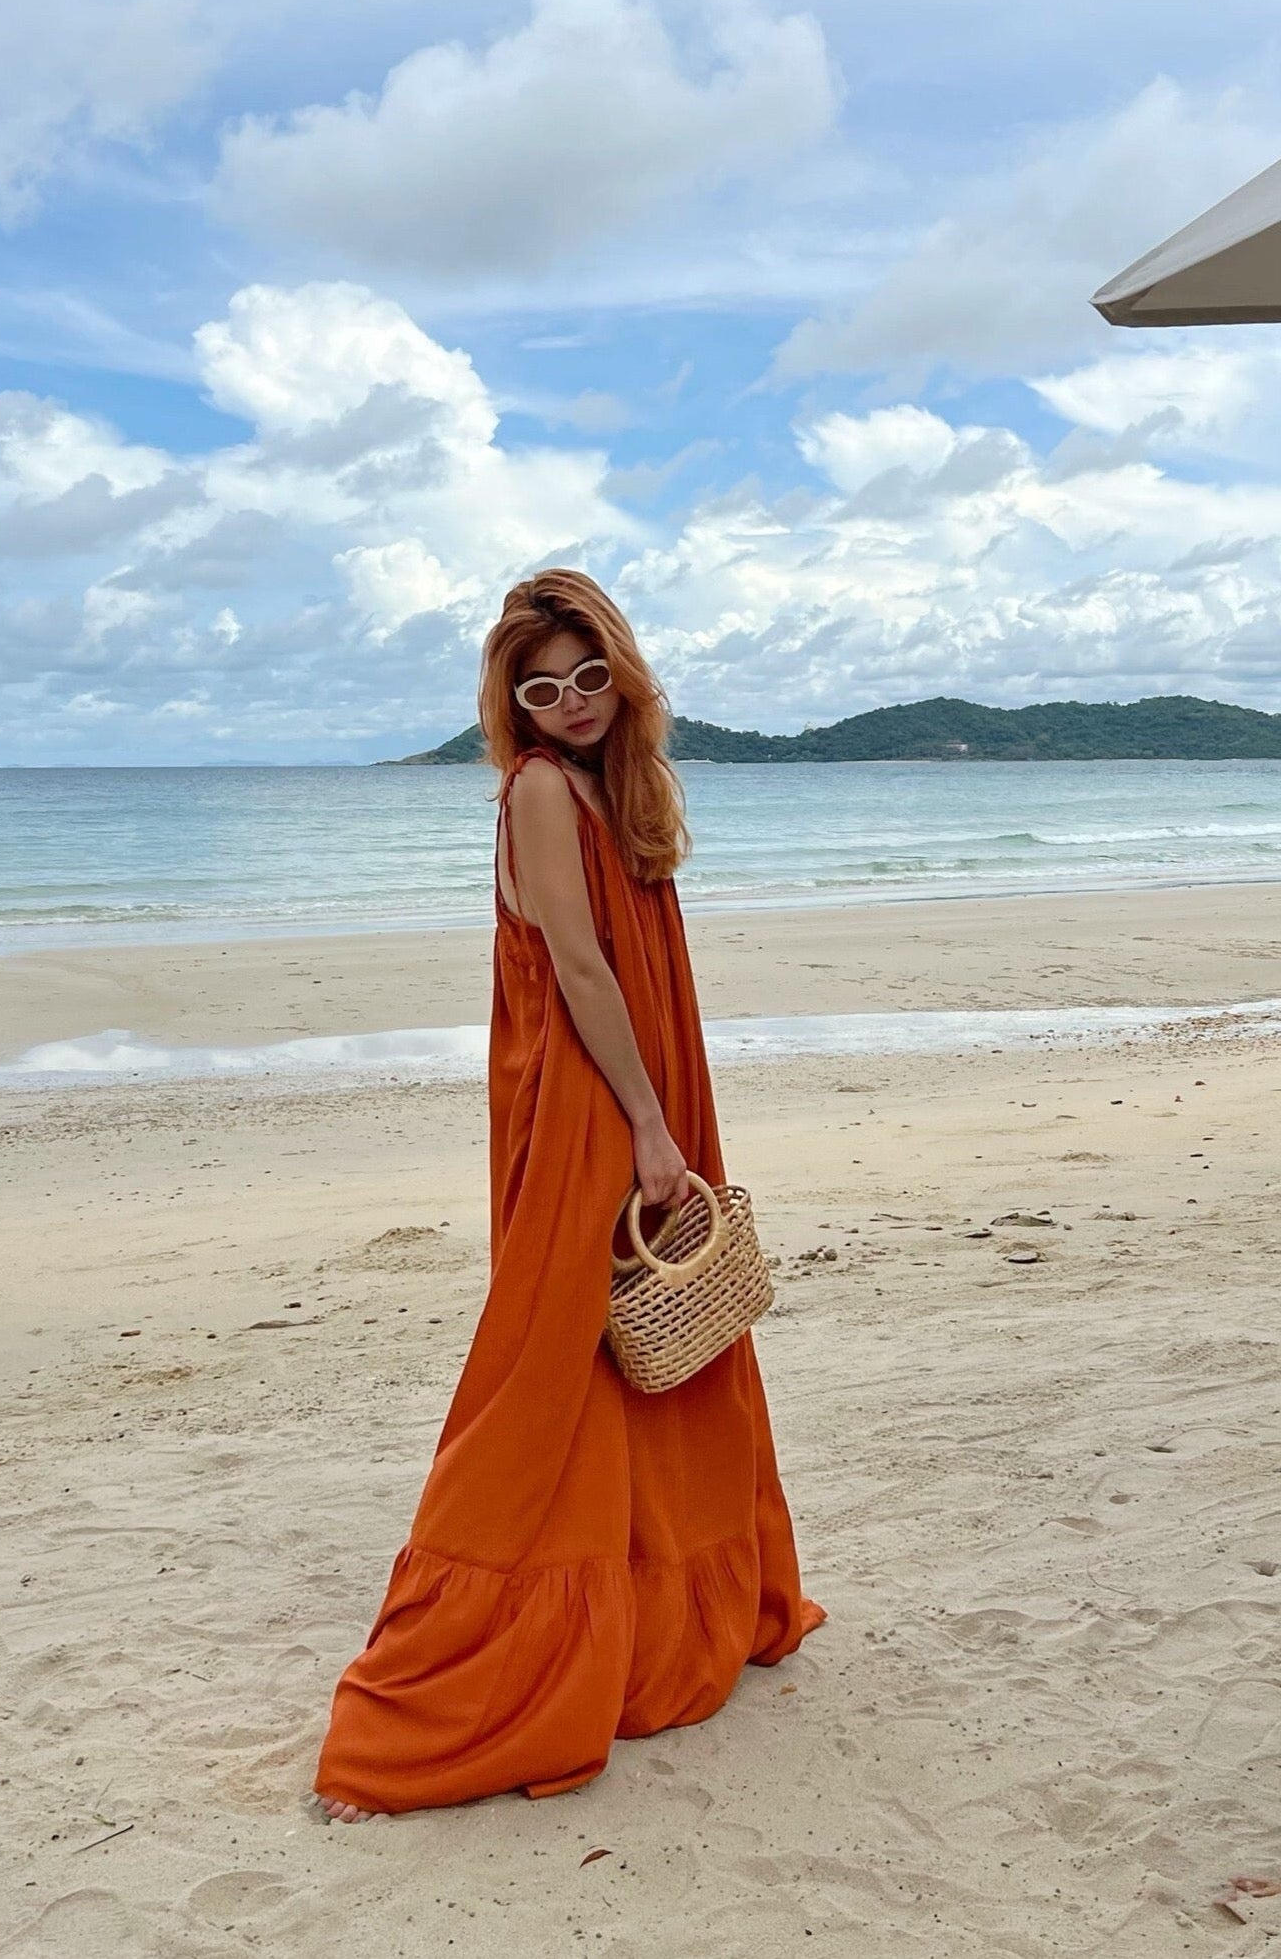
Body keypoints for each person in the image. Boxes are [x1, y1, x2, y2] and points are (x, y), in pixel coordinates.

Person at [312, 569, 823, 1820]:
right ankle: (472, 1647)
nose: (570, 703)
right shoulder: (540, 789)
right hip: (598, 1099)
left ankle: (661, 1599)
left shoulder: (613, 784)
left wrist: (665, 1108)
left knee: (644, 1356)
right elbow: (580, 970)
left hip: (643, 1082)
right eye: (540, 688)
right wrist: (650, 1125)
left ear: (622, 673)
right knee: (545, 1356)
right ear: (513, 704)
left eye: (588, 677)